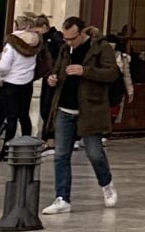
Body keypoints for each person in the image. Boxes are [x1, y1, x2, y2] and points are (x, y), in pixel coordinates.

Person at [42, 17, 124, 215]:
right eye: (65, 38)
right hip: (65, 108)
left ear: (82, 33)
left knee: (94, 153)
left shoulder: (100, 47)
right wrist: (53, 78)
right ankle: (62, 198)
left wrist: (85, 71)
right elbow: (57, 70)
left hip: (90, 109)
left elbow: (112, 73)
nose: (69, 42)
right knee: (61, 155)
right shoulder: (64, 49)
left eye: (72, 38)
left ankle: (106, 184)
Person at [0, 15, 43, 158]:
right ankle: (27, 148)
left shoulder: (12, 43)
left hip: (11, 83)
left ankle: (6, 150)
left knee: (11, 117)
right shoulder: (35, 43)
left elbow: (4, 66)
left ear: (17, 26)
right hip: (27, 82)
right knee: (24, 116)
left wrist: (1, 75)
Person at [34, 16, 64, 153]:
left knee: (48, 108)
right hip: (48, 76)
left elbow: (59, 57)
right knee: (45, 107)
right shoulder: (47, 39)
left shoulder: (54, 38)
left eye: (38, 30)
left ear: (44, 27)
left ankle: (50, 139)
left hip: (52, 76)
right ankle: (48, 138)